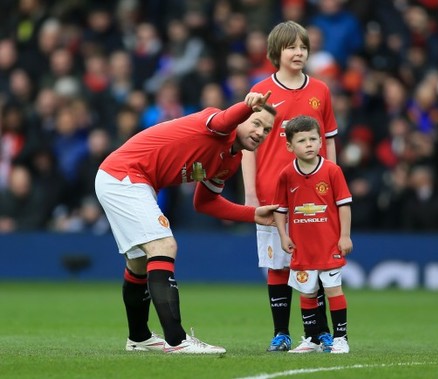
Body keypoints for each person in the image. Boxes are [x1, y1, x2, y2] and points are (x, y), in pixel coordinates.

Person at [95, 91, 277, 354]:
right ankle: (177, 340)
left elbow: (205, 202)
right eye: (256, 123)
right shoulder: (216, 123)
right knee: (164, 246)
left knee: (138, 262)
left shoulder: (231, 159)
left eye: (267, 129)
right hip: (124, 175)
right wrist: (246, 106)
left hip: (128, 180)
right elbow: (225, 119)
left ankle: (139, 337)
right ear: (242, 118)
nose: (261, 132)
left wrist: (253, 214)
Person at [241, 20, 338, 352]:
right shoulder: (261, 91)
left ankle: (320, 333)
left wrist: (334, 183)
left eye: (303, 46)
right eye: (291, 47)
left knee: (317, 262)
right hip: (271, 192)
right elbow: (247, 144)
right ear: (276, 52)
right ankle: (280, 333)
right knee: (277, 264)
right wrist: (251, 196)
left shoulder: (320, 91)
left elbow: (329, 143)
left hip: (314, 194)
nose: (299, 53)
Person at [273, 116, 352, 354]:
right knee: (307, 293)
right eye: (302, 140)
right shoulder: (286, 174)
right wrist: (283, 236)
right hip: (302, 247)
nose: (308, 144)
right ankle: (312, 339)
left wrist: (345, 236)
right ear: (290, 146)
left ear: (320, 142)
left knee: (332, 290)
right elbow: (280, 208)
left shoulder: (332, 170)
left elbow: (344, 205)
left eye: (313, 139)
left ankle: (341, 338)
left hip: (329, 245)